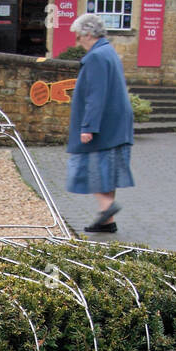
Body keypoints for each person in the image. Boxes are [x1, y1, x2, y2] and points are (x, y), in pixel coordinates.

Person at [65, 13, 134, 234]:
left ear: (87, 33)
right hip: (116, 124)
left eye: (78, 37)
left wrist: (88, 127)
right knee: (107, 169)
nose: (77, 42)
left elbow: (95, 95)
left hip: (103, 126)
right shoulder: (107, 52)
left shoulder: (96, 57)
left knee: (94, 168)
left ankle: (106, 208)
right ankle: (107, 220)